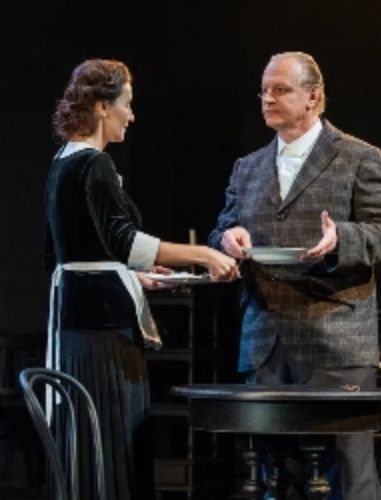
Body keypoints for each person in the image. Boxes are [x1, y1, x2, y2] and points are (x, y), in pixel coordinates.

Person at [208, 51, 381, 500]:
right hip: (266, 339)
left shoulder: (359, 157)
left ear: (313, 96)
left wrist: (342, 239)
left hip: (335, 340)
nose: (268, 99)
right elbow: (221, 228)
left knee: (347, 476)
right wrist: (227, 238)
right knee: (278, 476)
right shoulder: (248, 167)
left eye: (280, 90)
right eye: (264, 91)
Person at [44, 58, 239, 500]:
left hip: (79, 325)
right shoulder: (92, 163)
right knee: (112, 445)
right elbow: (124, 241)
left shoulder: (62, 161)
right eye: (126, 104)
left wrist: (131, 277)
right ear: (101, 106)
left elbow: (68, 252)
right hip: (102, 334)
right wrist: (204, 254)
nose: (131, 115)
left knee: (88, 446)